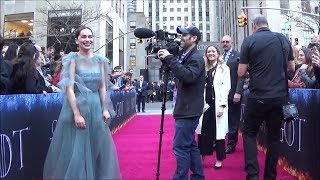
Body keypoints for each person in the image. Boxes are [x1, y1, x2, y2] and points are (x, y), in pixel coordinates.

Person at [43, 26, 121, 179]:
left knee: (97, 145)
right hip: (77, 106)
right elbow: (69, 88)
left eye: (90, 36)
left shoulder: (100, 61)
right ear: (76, 40)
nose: (87, 40)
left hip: (97, 107)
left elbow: (103, 86)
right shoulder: (72, 60)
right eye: (83, 36)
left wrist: (105, 108)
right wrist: (77, 114)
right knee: (77, 149)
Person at [238, 14, 295, 180]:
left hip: (258, 97)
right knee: (274, 138)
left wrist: (254, 71)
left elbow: (241, 73)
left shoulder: (249, 41)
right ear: (267, 24)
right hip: (279, 97)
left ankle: (253, 175)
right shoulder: (283, 39)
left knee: (249, 133)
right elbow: (291, 68)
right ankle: (270, 176)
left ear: (254, 26)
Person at [157, 25, 205, 180]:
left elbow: (189, 76)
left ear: (194, 38)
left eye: (184, 35)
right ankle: (198, 176)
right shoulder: (186, 55)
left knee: (180, 147)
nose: (181, 38)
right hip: (186, 108)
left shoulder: (196, 57)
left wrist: (170, 58)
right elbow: (181, 73)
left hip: (189, 109)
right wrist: (168, 62)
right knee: (190, 146)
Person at [198, 45, 231, 169]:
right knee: (203, 131)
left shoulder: (224, 68)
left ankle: (219, 159)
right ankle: (201, 156)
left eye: (213, 51)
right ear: (206, 54)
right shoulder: (204, 68)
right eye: (208, 51)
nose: (211, 53)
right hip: (205, 105)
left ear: (218, 53)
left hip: (218, 104)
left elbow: (226, 87)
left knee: (219, 133)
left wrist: (222, 105)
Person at [220, 35, 244, 154]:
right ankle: (219, 142)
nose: (225, 43)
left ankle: (231, 144)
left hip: (234, 93)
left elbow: (241, 75)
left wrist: (238, 92)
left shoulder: (238, 56)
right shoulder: (220, 57)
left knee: (233, 120)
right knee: (222, 119)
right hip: (222, 94)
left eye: (227, 42)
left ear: (232, 43)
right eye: (223, 42)